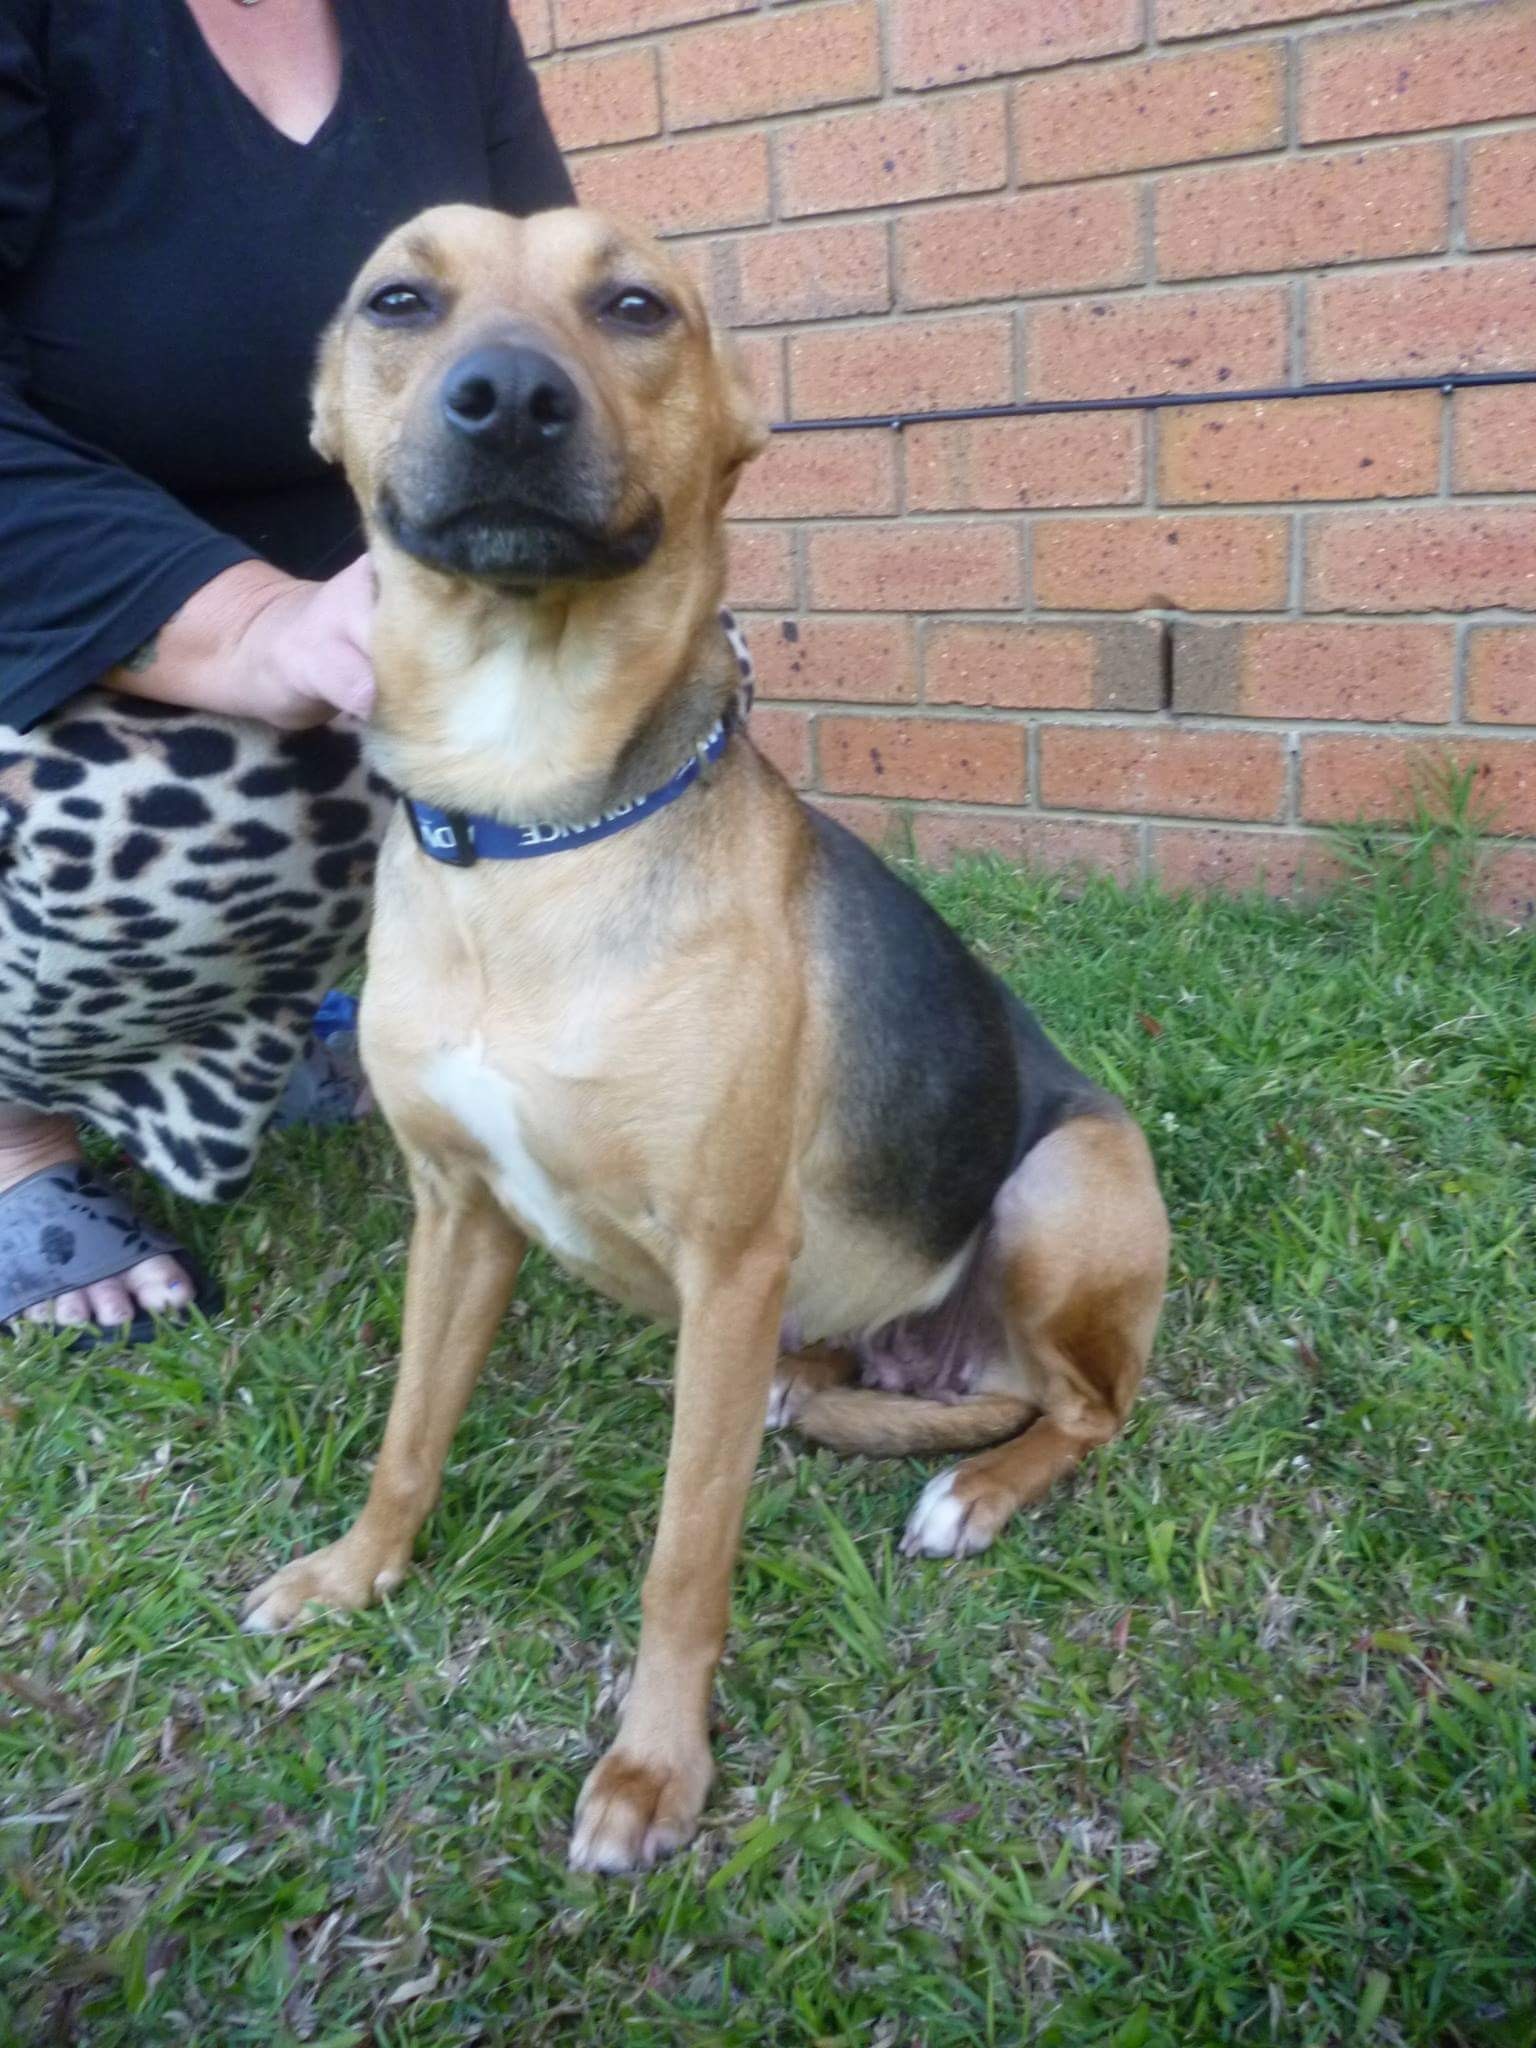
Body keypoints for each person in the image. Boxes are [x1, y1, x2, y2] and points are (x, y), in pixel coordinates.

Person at [0, 0, 573, 1339]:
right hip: (53, 608)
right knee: (225, 811)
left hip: (350, 584)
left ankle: (286, 1031)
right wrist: (252, 624)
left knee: (636, 700)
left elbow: (540, 295)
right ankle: (12, 1128)